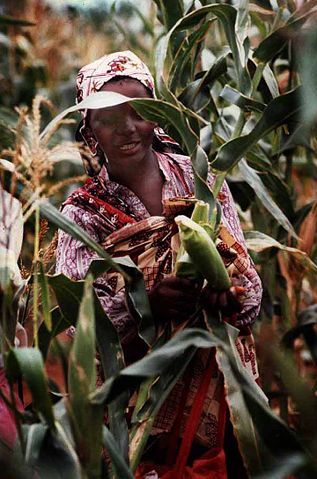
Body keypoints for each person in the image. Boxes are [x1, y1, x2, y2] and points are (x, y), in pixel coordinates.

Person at [56, 51, 262, 478]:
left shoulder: (202, 182)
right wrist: (143, 305)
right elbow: (81, 327)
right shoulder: (81, 215)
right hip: (138, 410)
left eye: (139, 111)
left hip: (221, 390)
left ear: (158, 114)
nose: (126, 128)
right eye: (108, 117)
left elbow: (251, 293)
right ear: (88, 128)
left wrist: (227, 293)